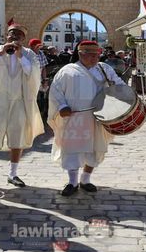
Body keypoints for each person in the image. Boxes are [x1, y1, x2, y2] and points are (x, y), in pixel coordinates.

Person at [48, 40, 126, 196]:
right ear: (81, 54)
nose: (95, 58)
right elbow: (56, 91)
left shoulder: (104, 69)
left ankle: (85, 179)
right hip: (74, 117)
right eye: (90, 55)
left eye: (97, 55)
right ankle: (72, 182)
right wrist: (62, 106)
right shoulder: (67, 71)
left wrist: (120, 92)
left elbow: (120, 85)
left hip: (98, 117)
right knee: (72, 149)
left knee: (95, 148)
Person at [0, 23, 44, 190]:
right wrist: (1, 53)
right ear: (7, 35)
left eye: (18, 35)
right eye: (12, 33)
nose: (14, 37)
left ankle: (13, 174)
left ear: (23, 38)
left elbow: (33, 74)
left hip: (18, 100)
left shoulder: (28, 54)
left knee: (17, 135)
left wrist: (20, 56)